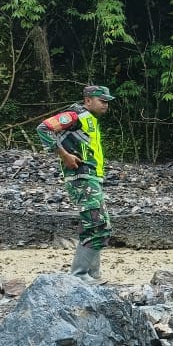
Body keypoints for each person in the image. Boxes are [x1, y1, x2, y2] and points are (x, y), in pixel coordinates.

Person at [36, 84, 116, 282]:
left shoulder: (91, 120)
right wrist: (64, 155)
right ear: (88, 100)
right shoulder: (75, 115)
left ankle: (92, 274)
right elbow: (43, 128)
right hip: (81, 178)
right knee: (95, 224)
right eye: (102, 101)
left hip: (91, 179)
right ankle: (79, 275)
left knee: (101, 225)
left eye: (107, 102)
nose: (106, 105)